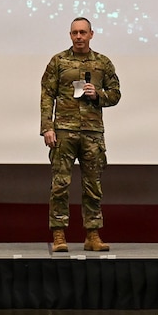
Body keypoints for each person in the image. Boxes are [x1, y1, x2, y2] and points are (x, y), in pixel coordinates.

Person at [40, 17, 122, 253]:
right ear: (70, 35)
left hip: (92, 132)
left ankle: (93, 234)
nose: (78, 37)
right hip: (64, 131)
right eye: (74, 33)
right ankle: (58, 234)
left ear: (91, 34)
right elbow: (47, 94)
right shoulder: (59, 61)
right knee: (60, 185)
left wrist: (98, 94)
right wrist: (48, 127)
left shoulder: (103, 63)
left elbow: (116, 94)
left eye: (83, 32)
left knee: (93, 186)